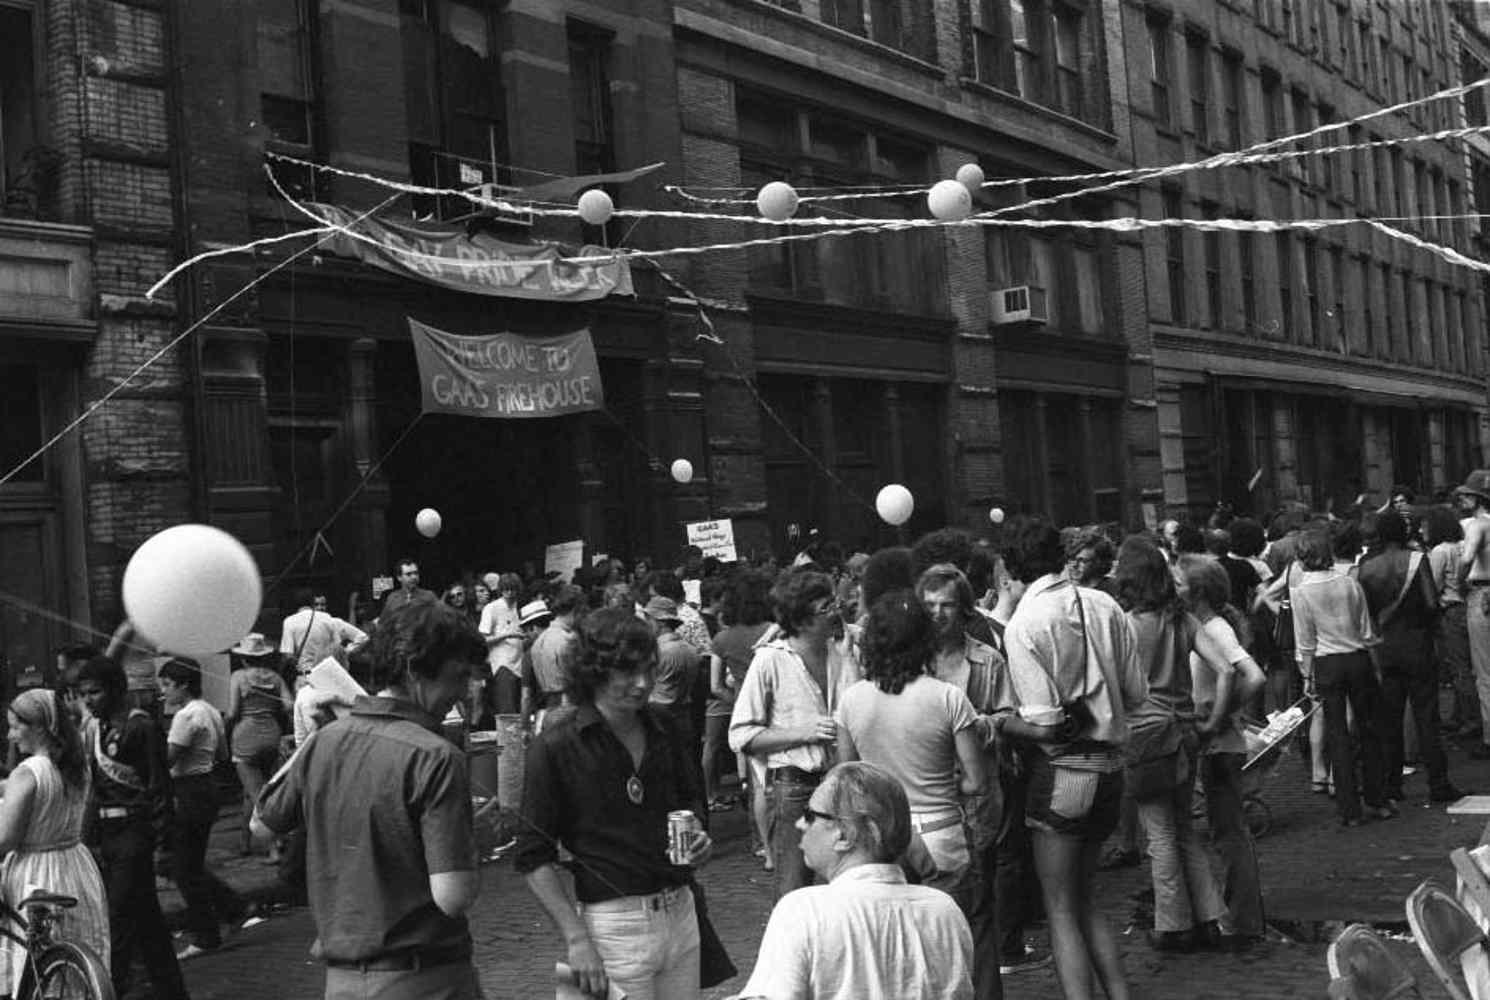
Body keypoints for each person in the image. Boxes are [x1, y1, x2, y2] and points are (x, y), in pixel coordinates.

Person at [253, 599, 487, 1000]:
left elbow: (261, 823)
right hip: (425, 980)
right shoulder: (436, 756)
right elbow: (454, 896)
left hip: (343, 982)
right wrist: (475, 833)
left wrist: (314, 743)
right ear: (415, 670)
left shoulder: (324, 742)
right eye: (458, 676)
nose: (464, 692)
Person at [516, 608, 712, 1000]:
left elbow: (693, 800)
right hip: (612, 926)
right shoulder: (555, 746)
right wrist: (576, 939)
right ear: (595, 671)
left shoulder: (665, 725)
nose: (642, 684)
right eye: (627, 672)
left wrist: (700, 839)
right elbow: (531, 855)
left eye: (649, 670)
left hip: (681, 912)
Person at [995, 517, 1146, 1000]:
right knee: (1087, 901)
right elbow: (1137, 692)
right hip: (1112, 770)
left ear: (1010, 569)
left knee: (1060, 909)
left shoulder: (1024, 624)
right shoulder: (1105, 604)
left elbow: (1045, 723)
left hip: (1063, 773)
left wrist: (1000, 721)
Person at [732, 761, 973, 1000]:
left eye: (810, 815)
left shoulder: (804, 911)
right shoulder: (944, 910)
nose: (800, 824)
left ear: (845, 834)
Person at [1114, 538, 1230, 953]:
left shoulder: (1124, 625)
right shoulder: (1182, 620)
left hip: (1146, 736)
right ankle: (1211, 917)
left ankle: (1173, 923)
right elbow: (1225, 670)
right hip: (1185, 732)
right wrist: (1212, 722)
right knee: (1185, 829)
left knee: (1159, 834)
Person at [730, 570, 860, 898]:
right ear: (800, 620)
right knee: (793, 887)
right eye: (824, 608)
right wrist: (802, 732)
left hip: (845, 780)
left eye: (834, 602)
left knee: (852, 883)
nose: (836, 612)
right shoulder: (770, 660)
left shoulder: (848, 646)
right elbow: (741, 735)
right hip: (795, 786)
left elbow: (861, 710)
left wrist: (849, 662)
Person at [915, 562, 1013, 994]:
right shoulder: (908, 661)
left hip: (975, 796)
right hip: (926, 798)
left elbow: (1010, 714)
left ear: (965, 609)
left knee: (978, 906)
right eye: (930, 605)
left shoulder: (986, 660)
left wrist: (980, 726)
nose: (938, 614)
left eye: (948, 605)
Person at [77, 650, 189, 1000]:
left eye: (94, 692)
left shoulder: (140, 726)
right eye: (83, 694)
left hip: (135, 835)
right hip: (109, 837)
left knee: (118, 921)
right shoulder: (97, 729)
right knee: (149, 923)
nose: (87, 701)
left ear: (113, 689)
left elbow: (159, 789)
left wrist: (164, 847)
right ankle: (172, 991)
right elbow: (95, 791)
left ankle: (115, 991)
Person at [1176, 555, 1268, 950]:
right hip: (1217, 742)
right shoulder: (1208, 626)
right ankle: (1239, 914)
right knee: (1226, 831)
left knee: (1230, 834)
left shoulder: (1214, 629)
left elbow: (1254, 676)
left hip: (1219, 745)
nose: (1171, 587)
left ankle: (1243, 920)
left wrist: (1218, 717)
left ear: (1196, 592)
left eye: (1178, 582)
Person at [0, 688, 110, 996]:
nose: (10, 735)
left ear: (38, 727)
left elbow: (6, 838)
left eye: (15, 726)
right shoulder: (78, 765)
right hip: (76, 865)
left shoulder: (28, 772)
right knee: (74, 964)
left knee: (31, 962)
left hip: (35, 873)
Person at [1357, 510, 1463, 803]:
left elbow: (1365, 612)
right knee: (1427, 717)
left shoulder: (1367, 568)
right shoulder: (1417, 560)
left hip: (1384, 648)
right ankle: (1438, 783)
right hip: (1417, 644)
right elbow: (1431, 602)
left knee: (1389, 719)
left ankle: (1392, 785)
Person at [1292, 528, 1392, 826]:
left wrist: (1307, 676)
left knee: (1338, 736)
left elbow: (1305, 640)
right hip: (1358, 658)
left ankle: (1350, 810)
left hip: (1326, 663)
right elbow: (1366, 630)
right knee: (1369, 731)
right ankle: (1377, 799)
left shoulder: (1301, 592)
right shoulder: (1349, 583)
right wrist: (1375, 666)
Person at [157, 658, 247, 960]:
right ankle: (232, 906)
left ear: (183, 684)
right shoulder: (211, 712)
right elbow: (222, 753)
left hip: (188, 790)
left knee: (185, 868)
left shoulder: (185, 717)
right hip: (208, 786)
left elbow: (166, 761)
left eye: (167, 685)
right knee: (190, 863)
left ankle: (206, 934)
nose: (163, 692)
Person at [707, 572, 774, 846]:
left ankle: (762, 845)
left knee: (756, 783)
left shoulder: (722, 639)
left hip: (746, 714)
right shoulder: (774, 630)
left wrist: (739, 703)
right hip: (776, 709)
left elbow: (715, 685)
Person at [225, 634, 293, 861]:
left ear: (244, 658)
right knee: (253, 792)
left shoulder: (238, 676)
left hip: (246, 738)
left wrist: (225, 726)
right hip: (271, 736)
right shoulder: (275, 677)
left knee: (258, 796)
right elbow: (288, 705)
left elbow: (233, 712)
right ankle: (245, 842)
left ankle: (275, 847)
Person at [1425, 504, 1478, 740]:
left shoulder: (1439, 551)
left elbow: (1433, 585)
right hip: (1467, 606)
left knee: (1459, 667)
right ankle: (1461, 715)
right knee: (1469, 663)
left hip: (1449, 610)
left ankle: (1470, 719)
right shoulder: (1461, 546)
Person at [1458, 470, 1490, 760]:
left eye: (1467, 495)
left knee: (1484, 672)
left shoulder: (1477, 526)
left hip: (1482, 595)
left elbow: (1467, 559)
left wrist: (1459, 584)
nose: (1463, 499)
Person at [280, 587, 369, 686]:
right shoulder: (328, 619)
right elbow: (337, 645)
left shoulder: (289, 621)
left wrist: (302, 667)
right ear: (311, 603)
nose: (320, 607)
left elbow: (288, 656)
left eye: (322, 604)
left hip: (305, 677)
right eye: (317, 604)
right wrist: (346, 652)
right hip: (328, 675)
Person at [645, 596, 702, 749]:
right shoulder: (691, 650)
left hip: (659, 722)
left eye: (648, 619)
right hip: (684, 719)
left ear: (660, 622)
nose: (646, 624)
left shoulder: (656, 652)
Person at [529, 585, 586, 725]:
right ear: (576, 610)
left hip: (547, 708)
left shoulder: (539, 641)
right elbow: (576, 678)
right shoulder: (569, 639)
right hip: (568, 706)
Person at [479, 573, 526, 717]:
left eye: (513, 590)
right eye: (506, 590)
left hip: (521, 662)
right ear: (501, 590)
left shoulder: (521, 607)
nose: (509, 593)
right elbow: (482, 640)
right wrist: (508, 635)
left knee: (522, 708)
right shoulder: (492, 608)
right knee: (507, 711)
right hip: (502, 664)